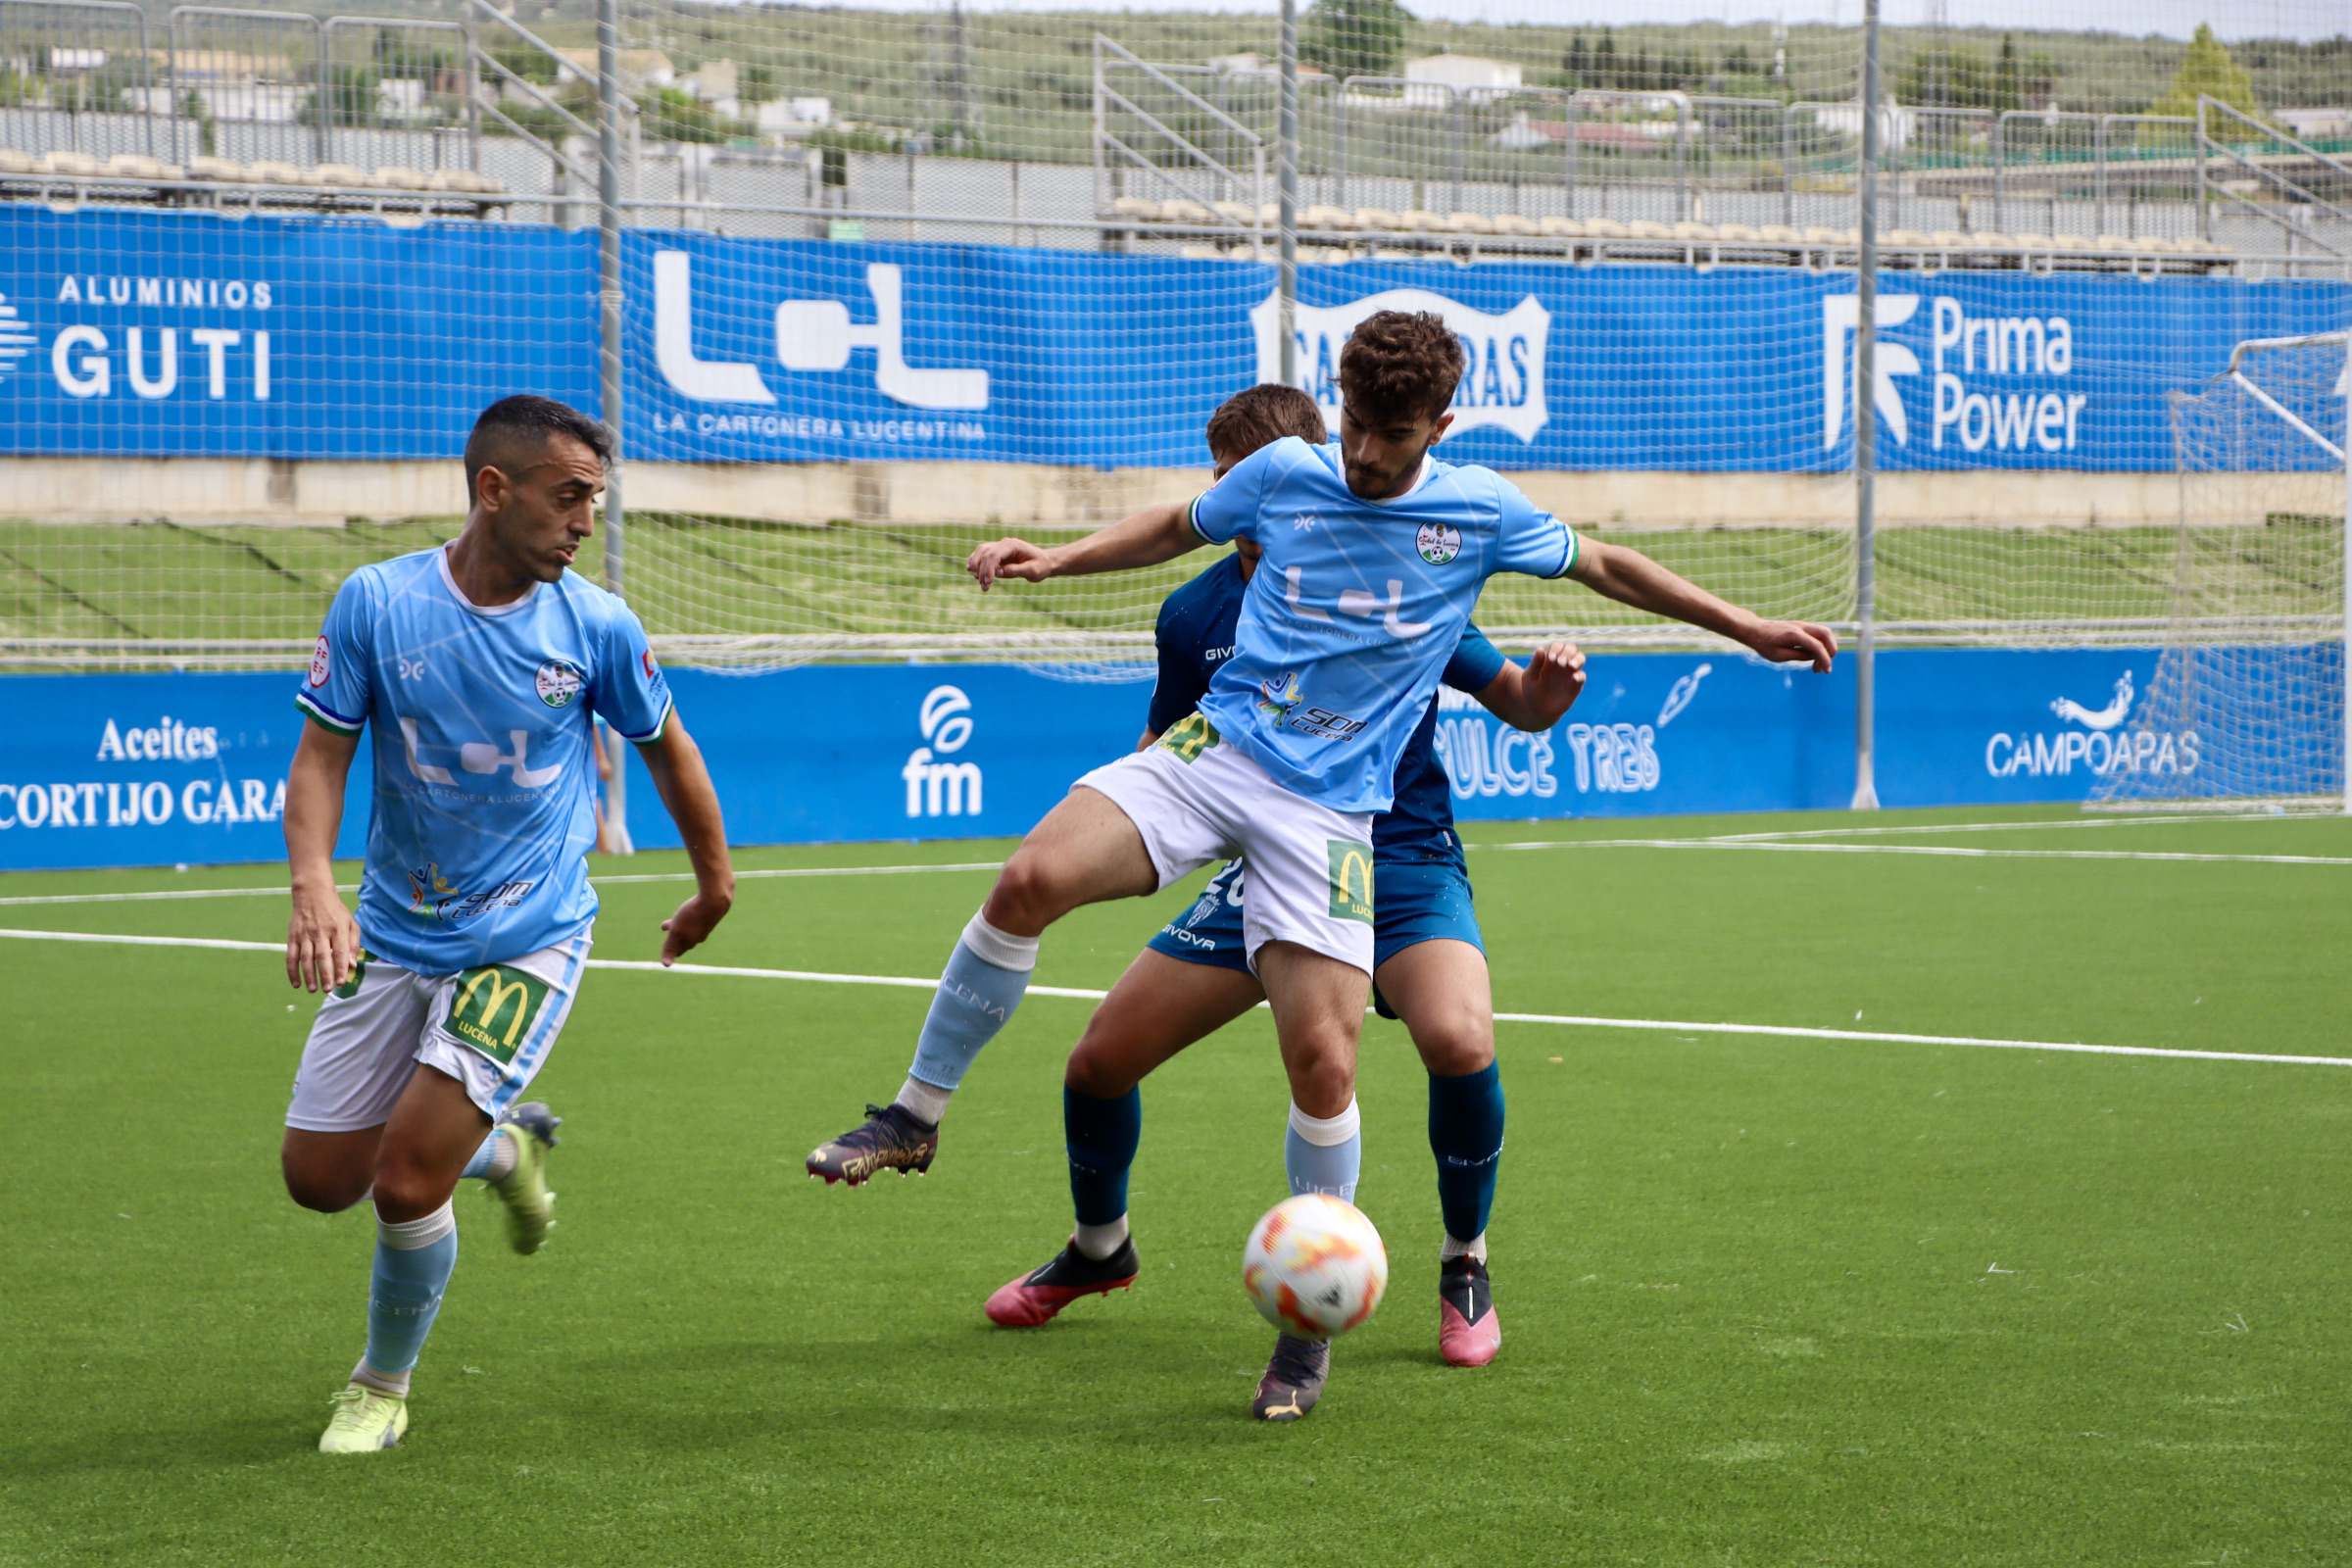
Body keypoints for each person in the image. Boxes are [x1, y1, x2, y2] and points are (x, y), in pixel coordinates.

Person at [808, 311, 1836, 1420]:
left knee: (1323, 1064)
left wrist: (1747, 627)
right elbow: (1174, 522)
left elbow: (1610, 566)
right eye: (1352, 421)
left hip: (1336, 815)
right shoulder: (1287, 473)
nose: (1362, 452)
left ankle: (1310, 1336)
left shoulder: (1478, 511)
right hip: (1219, 750)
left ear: (1440, 424)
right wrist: (1055, 557)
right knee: (1027, 884)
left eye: (1390, 433)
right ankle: (914, 1115)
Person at [978, 383, 1585, 1399]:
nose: (1233, 505)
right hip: (1262, 872)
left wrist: (1545, 694)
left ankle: (1463, 1260)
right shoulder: (1195, 609)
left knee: (1460, 1041)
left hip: (1399, 864)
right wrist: (1145, 828)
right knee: (1098, 1061)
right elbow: (1167, 750)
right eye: (1221, 485)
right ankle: (1099, 1247)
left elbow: (1513, 696)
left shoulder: (1389, 560)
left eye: (1239, 483)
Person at [280, 395, 735, 1454]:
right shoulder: (377, 604)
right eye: (569, 495)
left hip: (528, 934)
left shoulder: (598, 625)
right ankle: (506, 1147)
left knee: (400, 1180)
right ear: (496, 489)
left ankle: (380, 1387)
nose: (586, 519)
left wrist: (714, 884)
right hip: (396, 927)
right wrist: (314, 884)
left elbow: (672, 750)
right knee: (320, 1181)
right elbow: (321, 760)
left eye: (596, 498)